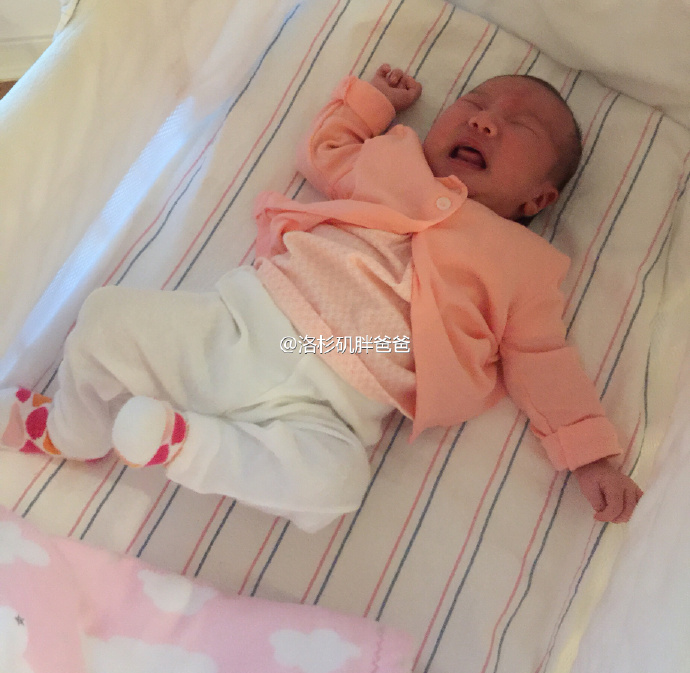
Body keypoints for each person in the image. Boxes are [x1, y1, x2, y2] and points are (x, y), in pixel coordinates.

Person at [0, 64, 642, 531]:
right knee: (106, 315)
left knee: (339, 484)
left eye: (520, 125)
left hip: (342, 402)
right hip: (243, 326)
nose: (484, 119)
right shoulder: (394, 162)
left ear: (539, 199)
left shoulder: (526, 266)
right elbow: (326, 151)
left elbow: (543, 360)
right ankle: (73, 431)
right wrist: (373, 104)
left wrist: (589, 458)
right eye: (475, 101)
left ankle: (189, 445)